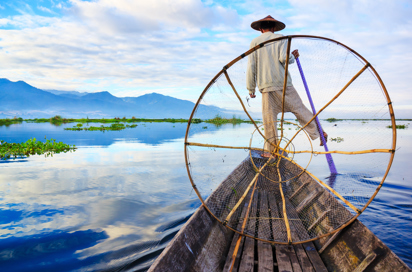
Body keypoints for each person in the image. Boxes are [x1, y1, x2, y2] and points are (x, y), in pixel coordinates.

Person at [246, 15, 327, 158]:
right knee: (299, 109)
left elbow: (251, 65)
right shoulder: (280, 38)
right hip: (283, 83)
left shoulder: (254, 42)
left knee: (269, 119)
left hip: (266, 86)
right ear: (273, 28)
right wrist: (292, 56)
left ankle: (271, 151)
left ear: (260, 29)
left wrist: (250, 89)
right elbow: (284, 58)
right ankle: (319, 132)